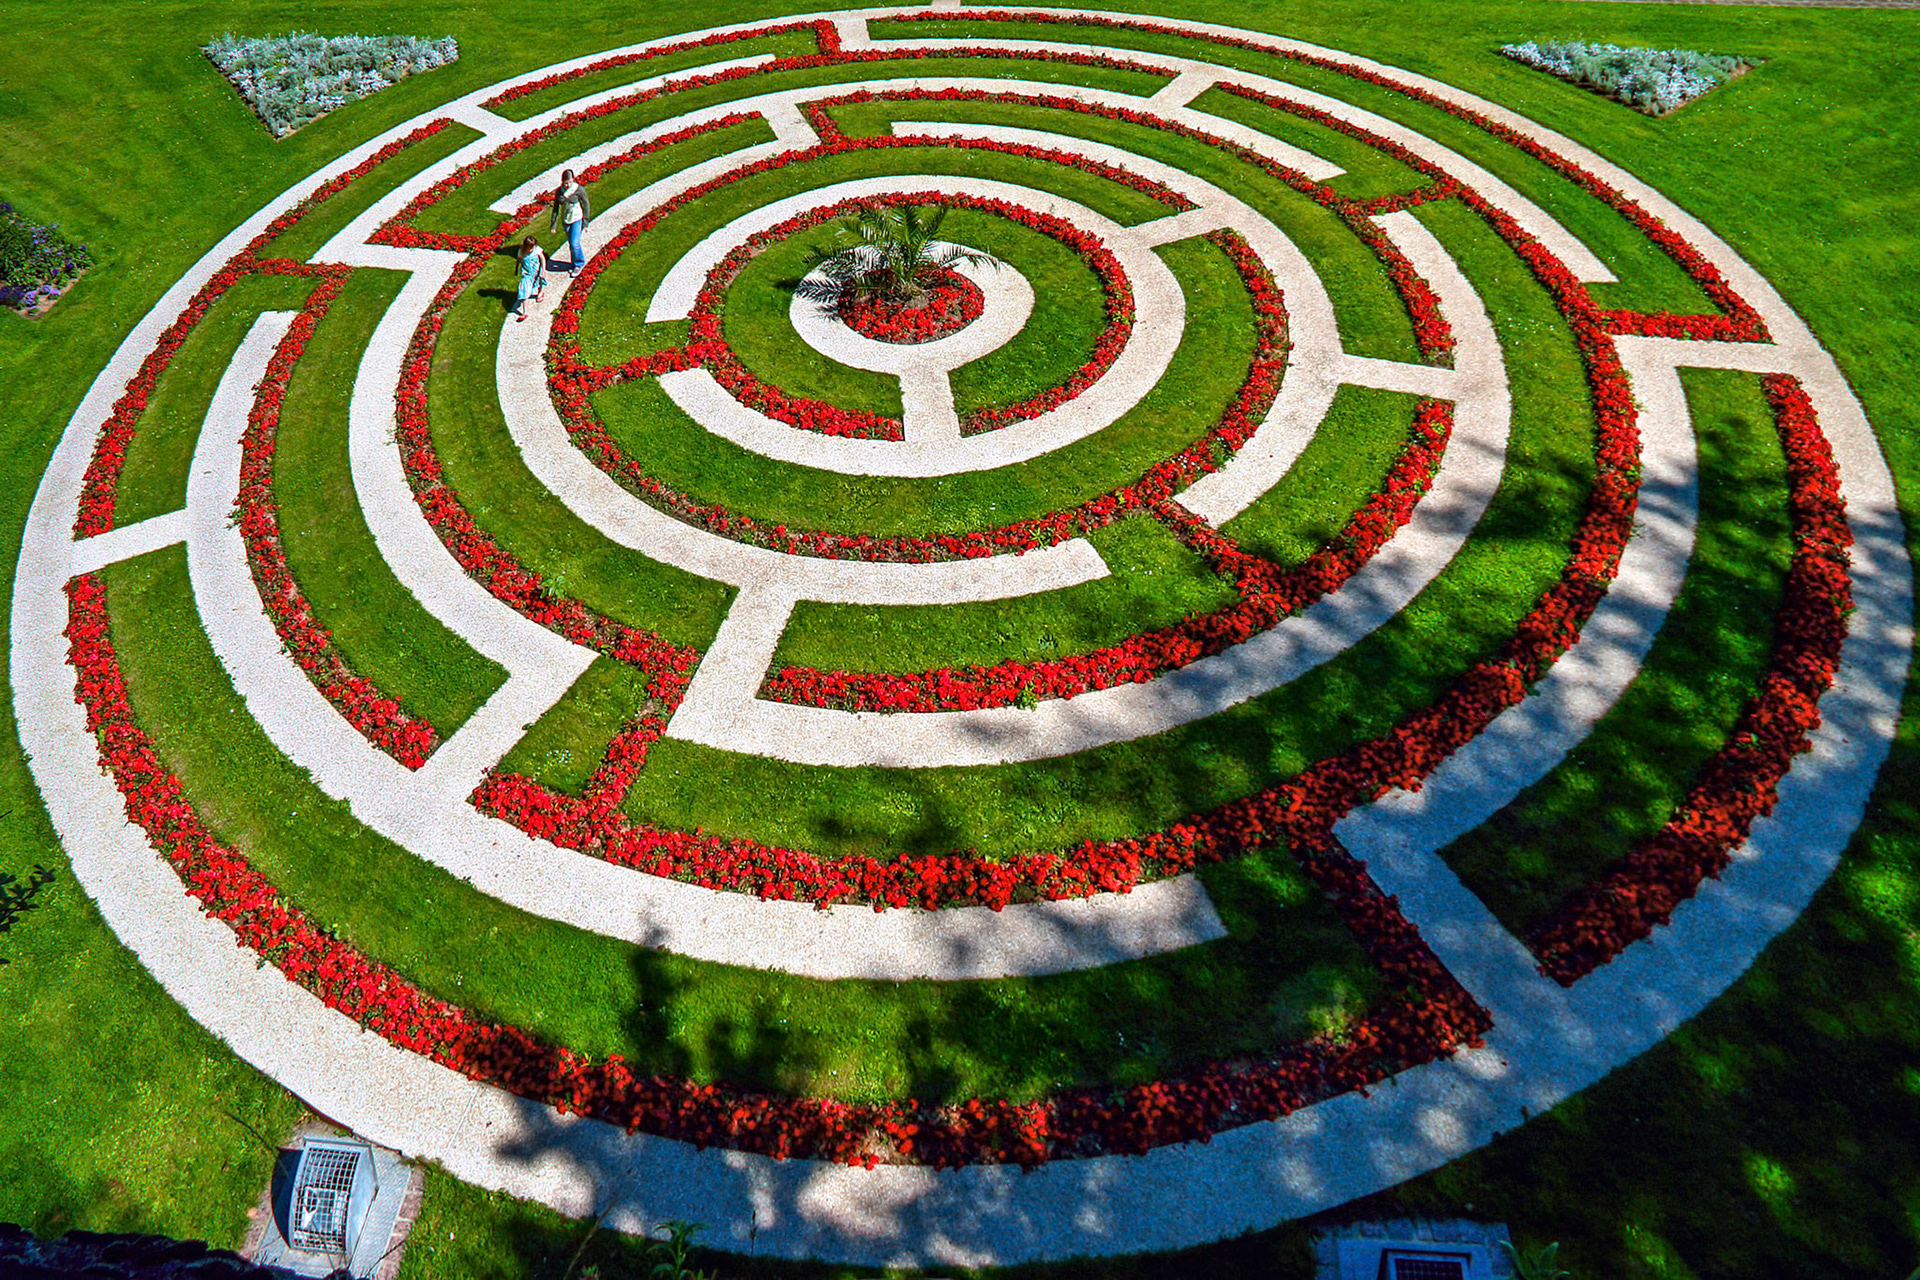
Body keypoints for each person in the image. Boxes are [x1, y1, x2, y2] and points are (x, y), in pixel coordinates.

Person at [548, 168, 591, 274]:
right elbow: (556, 209)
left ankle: (579, 263)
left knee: (574, 243)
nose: (568, 185)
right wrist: (553, 225)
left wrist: (585, 222)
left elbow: (586, 205)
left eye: (570, 182)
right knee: (571, 243)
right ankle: (574, 262)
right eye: (566, 183)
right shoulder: (559, 192)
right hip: (566, 220)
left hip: (577, 218)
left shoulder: (579, 189)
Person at [512, 235, 546, 322]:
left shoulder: (537, 250)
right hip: (527, 274)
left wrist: (543, 270)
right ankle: (524, 312)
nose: (531, 250)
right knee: (524, 291)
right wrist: (516, 269)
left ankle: (541, 292)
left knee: (540, 280)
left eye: (532, 247)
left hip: (537, 270)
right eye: (529, 248)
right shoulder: (521, 252)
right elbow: (518, 260)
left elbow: (542, 259)